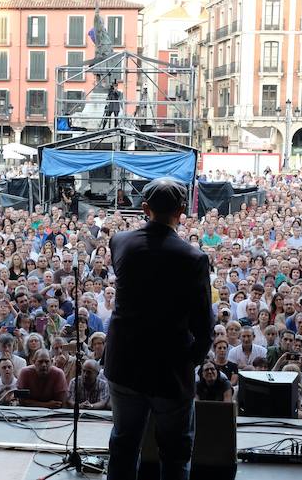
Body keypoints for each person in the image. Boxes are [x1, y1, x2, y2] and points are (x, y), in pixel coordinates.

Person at [105, 177, 213, 480]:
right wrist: (185, 362)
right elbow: (203, 328)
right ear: (182, 211)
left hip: (124, 363)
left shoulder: (120, 241)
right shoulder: (194, 258)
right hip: (169, 369)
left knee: (124, 445)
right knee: (175, 454)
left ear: (144, 208)